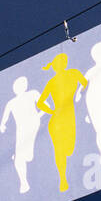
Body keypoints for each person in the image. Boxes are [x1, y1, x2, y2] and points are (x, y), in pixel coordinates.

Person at [36, 52, 90, 191]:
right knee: (61, 150)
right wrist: (52, 112)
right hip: (59, 119)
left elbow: (85, 84)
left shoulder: (73, 73)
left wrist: (52, 111)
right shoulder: (56, 80)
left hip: (64, 116)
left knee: (68, 150)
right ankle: (63, 179)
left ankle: (64, 178)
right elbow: (85, 85)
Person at [0, 76, 45, 193]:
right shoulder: (11, 102)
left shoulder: (32, 94)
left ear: (25, 86)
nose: (17, 88)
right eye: (16, 86)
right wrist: (2, 125)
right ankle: (24, 183)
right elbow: (4, 119)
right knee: (22, 158)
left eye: (20, 85)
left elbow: (46, 107)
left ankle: (25, 160)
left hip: (33, 125)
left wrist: (37, 117)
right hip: (21, 130)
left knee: (24, 156)